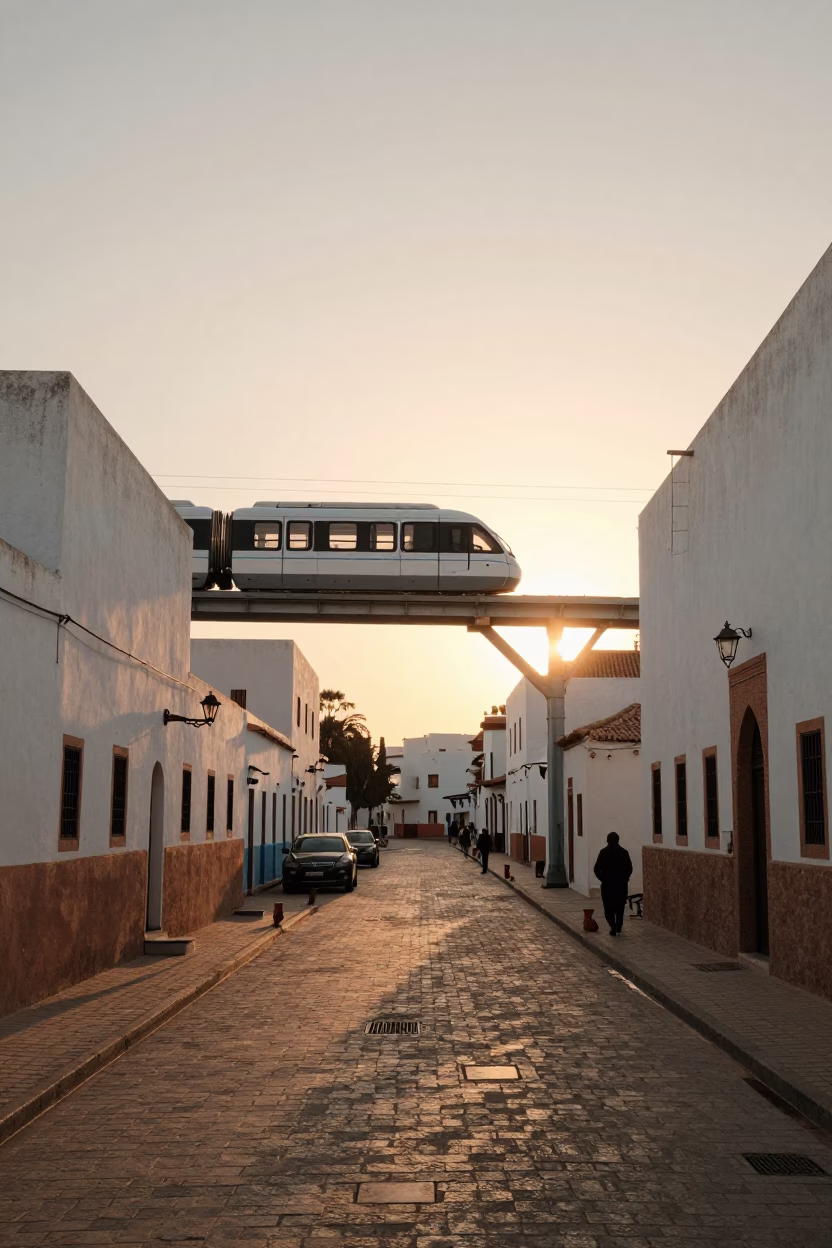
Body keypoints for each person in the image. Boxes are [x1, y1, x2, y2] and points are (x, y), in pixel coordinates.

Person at [593, 832, 633, 936]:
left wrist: (602, 879)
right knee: (620, 907)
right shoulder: (624, 852)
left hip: (607, 885)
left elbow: (597, 868)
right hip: (620, 885)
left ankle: (613, 926)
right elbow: (629, 868)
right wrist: (624, 878)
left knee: (608, 907)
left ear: (607, 840)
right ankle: (619, 926)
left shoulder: (603, 852)